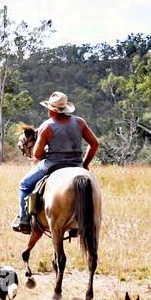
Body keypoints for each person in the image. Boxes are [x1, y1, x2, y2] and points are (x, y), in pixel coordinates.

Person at [12, 90, 99, 233]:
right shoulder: (80, 122)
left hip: (52, 164)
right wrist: (85, 164)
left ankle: (24, 219)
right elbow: (94, 144)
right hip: (77, 165)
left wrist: (41, 153)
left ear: (52, 110)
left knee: (24, 184)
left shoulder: (47, 126)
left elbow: (37, 153)